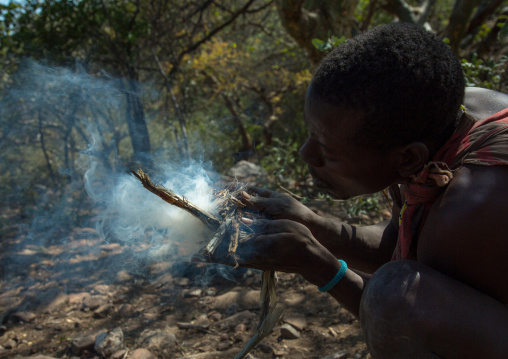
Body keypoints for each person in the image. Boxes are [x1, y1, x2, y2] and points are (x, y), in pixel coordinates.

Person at [235, 23, 508, 358]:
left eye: (327, 152)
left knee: (392, 295)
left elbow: (404, 320)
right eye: (311, 134)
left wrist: (316, 263)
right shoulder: (434, 113)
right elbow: (398, 240)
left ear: (408, 158)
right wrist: (312, 224)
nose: (306, 154)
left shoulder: (466, 213)